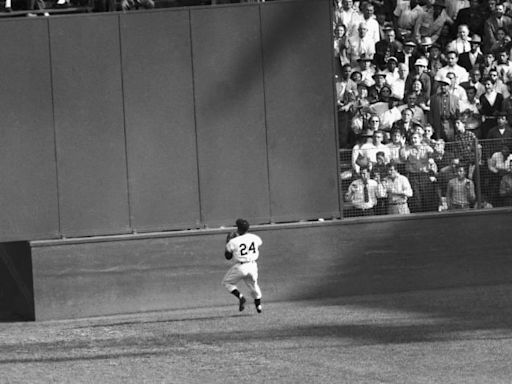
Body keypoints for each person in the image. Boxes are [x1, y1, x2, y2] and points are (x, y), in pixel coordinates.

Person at [222, 219, 263, 314]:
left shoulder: (233, 241)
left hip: (241, 267)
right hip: (253, 266)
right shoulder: (255, 237)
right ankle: (259, 306)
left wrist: (227, 243)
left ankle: (241, 297)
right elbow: (258, 244)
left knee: (227, 283)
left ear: (239, 229)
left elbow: (228, 257)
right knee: (254, 286)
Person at [430, 75, 460, 141]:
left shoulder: (455, 98)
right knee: (439, 141)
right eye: (442, 85)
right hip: (438, 123)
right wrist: (432, 124)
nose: (443, 87)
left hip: (450, 123)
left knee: (451, 141)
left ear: (449, 86)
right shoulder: (434, 98)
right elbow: (431, 113)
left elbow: (457, 113)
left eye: (445, 85)